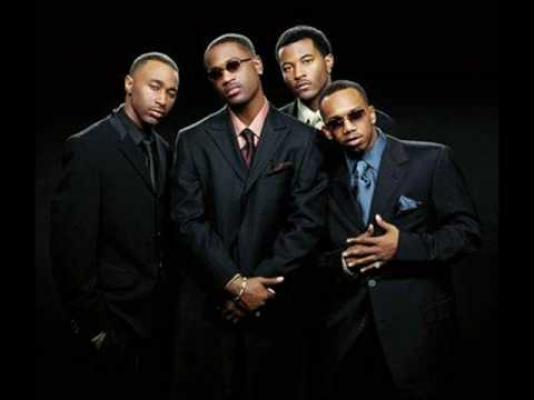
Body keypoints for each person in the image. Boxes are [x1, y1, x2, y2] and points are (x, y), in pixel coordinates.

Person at [171, 33, 327, 400]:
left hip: (279, 310)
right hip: (212, 308)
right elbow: (188, 221)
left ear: (257, 65)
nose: (226, 77)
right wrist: (235, 285)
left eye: (233, 66)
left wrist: (258, 288)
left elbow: (306, 223)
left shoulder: (304, 139)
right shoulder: (192, 140)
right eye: (215, 73)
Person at [314, 80, 481, 399]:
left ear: (371, 114)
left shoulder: (431, 160)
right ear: (327, 131)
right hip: (348, 337)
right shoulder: (321, 179)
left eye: (355, 115)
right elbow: (314, 256)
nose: (348, 127)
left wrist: (402, 246)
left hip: (417, 333)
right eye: (336, 123)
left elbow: (467, 233)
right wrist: (344, 262)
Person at [50, 51, 179, 399]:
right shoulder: (88, 147)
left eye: (171, 92)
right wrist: (95, 329)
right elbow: (70, 249)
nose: (163, 99)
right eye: (155, 87)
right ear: (129, 84)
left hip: (158, 324)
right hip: (111, 323)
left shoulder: (165, 150)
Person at [275, 25, 395, 134]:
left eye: (307, 61)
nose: (298, 74)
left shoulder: (376, 123)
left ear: (328, 62)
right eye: (287, 68)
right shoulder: (273, 124)